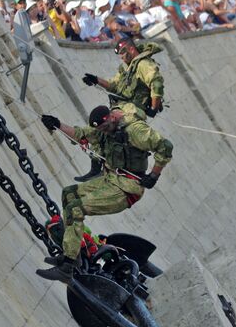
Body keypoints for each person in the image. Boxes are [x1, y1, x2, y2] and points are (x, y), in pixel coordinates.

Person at [36, 103, 173, 283]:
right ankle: (74, 254)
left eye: (106, 127)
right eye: (101, 129)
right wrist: (57, 124)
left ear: (112, 117)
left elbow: (165, 146)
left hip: (126, 189)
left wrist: (154, 175)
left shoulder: (135, 131)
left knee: (75, 209)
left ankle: (67, 267)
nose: (105, 132)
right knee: (69, 194)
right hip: (110, 180)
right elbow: (80, 134)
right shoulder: (103, 129)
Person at [78, 37, 165, 182]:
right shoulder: (128, 68)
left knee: (106, 132)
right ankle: (96, 166)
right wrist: (96, 80)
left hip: (132, 110)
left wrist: (154, 108)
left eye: (123, 54)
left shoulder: (143, 64)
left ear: (131, 49)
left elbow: (156, 82)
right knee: (98, 130)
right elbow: (114, 85)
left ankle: (103, 167)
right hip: (122, 107)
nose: (122, 59)